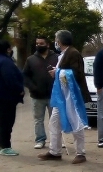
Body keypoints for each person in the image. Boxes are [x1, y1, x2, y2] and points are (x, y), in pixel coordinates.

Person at [38, 30, 92, 164]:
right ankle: (54, 151)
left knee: (76, 122)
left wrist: (58, 72)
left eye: (56, 39)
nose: (55, 42)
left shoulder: (73, 53)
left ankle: (81, 153)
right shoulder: (62, 55)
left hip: (73, 95)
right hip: (61, 95)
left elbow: (77, 73)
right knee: (54, 122)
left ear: (60, 41)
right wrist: (57, 72)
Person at [0, 40, 25, 156]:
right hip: (3, 95)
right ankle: (6, 146)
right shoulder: (6, 62)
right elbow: (10, 79)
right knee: (6, 121)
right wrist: (19, 90)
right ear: (7, 49)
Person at [22, 36, 59, 149]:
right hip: (37, 96)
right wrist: (32, 87)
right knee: (38, 119)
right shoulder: (31, 59)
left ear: (47, 45)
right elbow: (24, 76)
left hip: (54, 95)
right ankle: (40, 140)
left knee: (56, 120)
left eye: (41, 43)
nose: (38, 45)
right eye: (37, 43)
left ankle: (56, 140)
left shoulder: (57, 58)